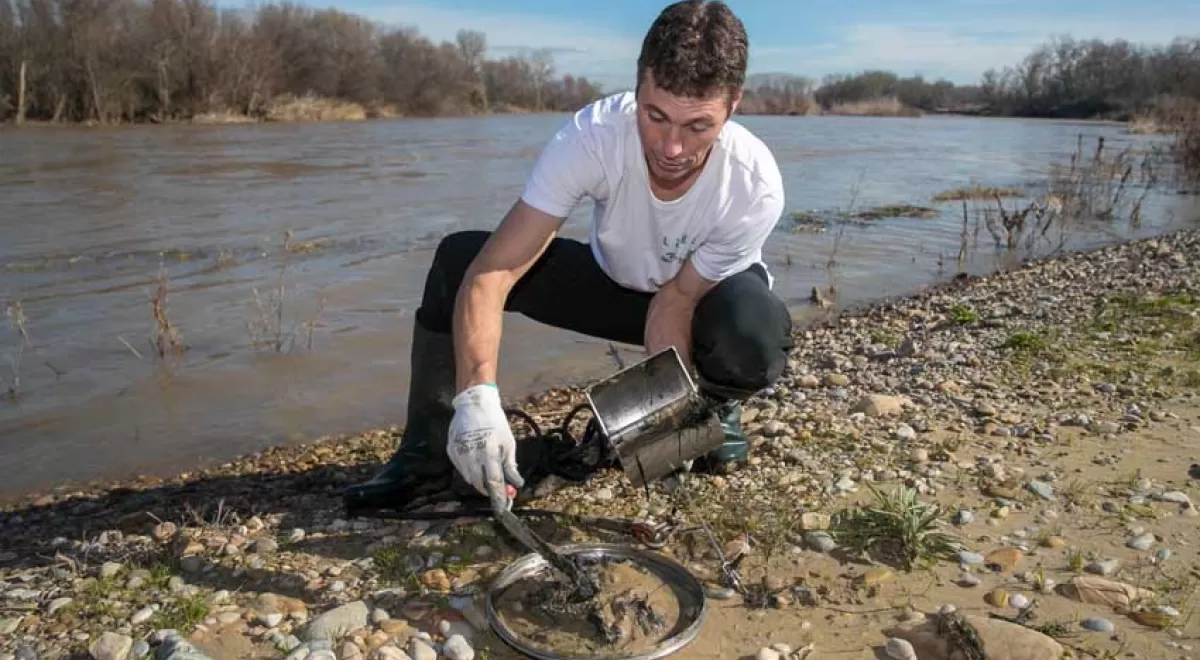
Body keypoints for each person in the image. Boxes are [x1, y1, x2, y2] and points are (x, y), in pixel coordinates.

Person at [343, 0, 794, 516]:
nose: (671, 147)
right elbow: (493, 275)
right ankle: (427, 456)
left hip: (700, 301)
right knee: (460, 259)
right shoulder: (592, 137)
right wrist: (477, 397)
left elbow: (676, 301)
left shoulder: (754, 184)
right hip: (616, 285)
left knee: (752, 330)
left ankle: (715, 411)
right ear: (638, 87)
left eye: (698, 126)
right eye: (656, 116)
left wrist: (665, 423)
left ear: (732, 105)